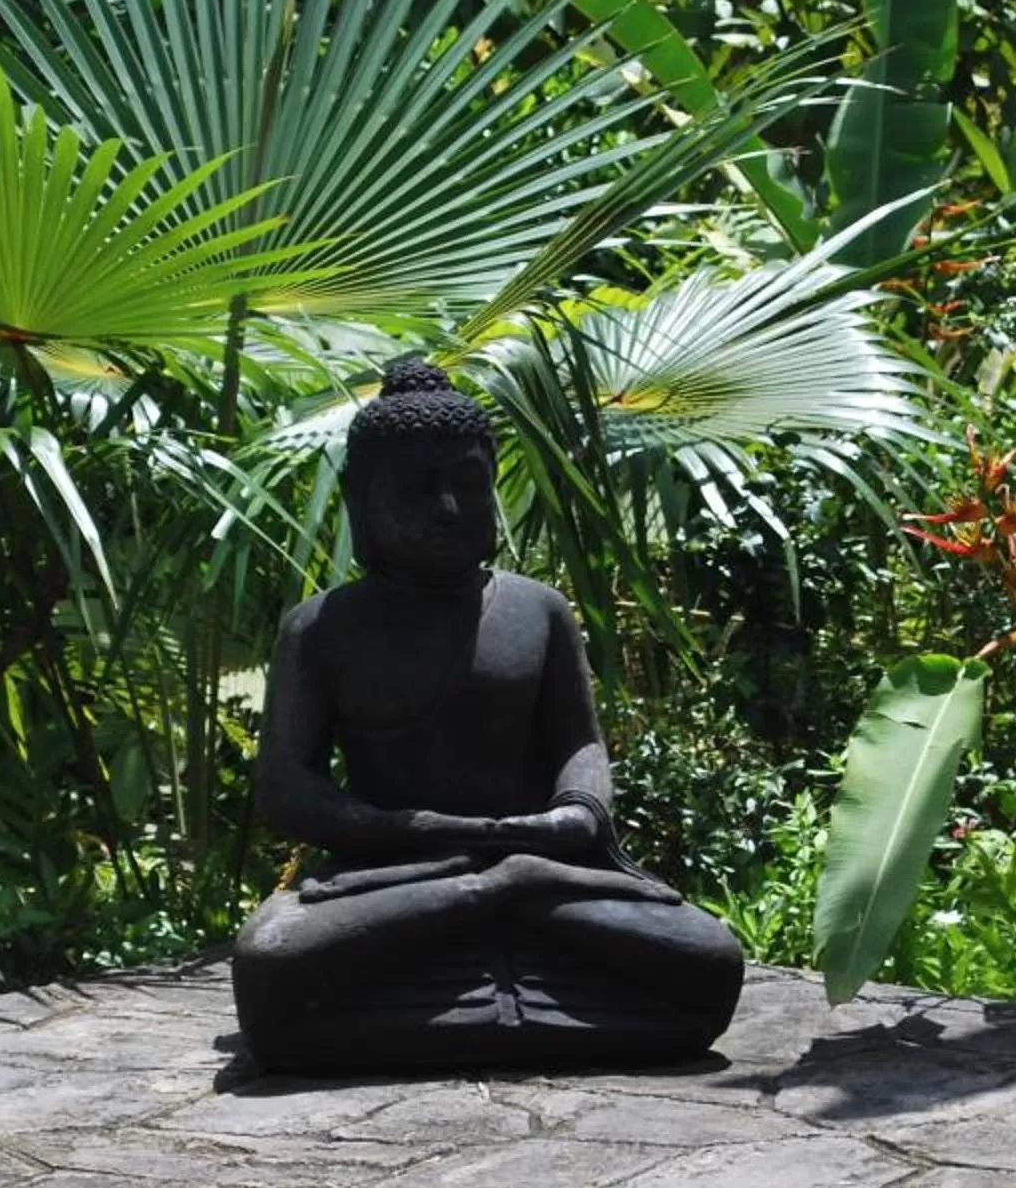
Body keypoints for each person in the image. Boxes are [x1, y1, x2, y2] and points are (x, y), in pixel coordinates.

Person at [230, 357, 745, 1071]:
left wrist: (574, 815)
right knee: (270, 959)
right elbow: (286, 785)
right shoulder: (321, 628)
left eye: (467, 486)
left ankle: (504, 897)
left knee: (712, 957)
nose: (447, 510)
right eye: (416, 491)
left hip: (540, 859)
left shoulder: (537, 610)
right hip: (393, 875)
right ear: (360, 500)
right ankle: (499, 897)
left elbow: (581, 747)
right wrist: (404, 830)